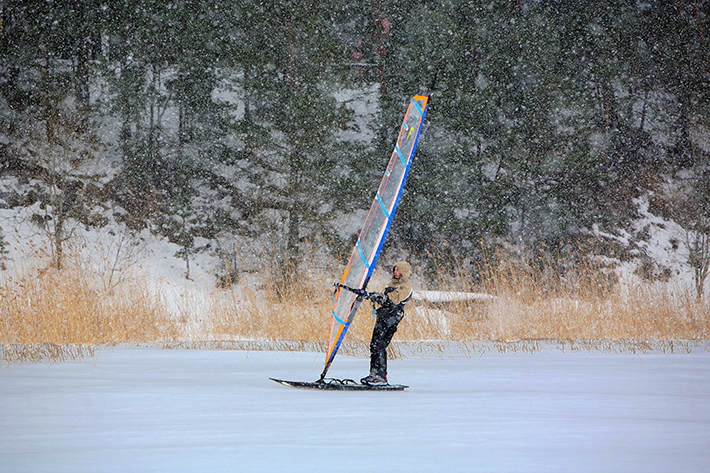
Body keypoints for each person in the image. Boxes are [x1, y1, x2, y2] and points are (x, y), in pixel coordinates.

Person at [361, 261, 413, 386]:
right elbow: (384, 298)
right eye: (394, 270)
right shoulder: (392, 284)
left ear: (404, 272)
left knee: (380, 345)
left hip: (392, 319)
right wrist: (373, 296)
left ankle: (381, 376)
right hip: (383, 317)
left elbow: (393, 299)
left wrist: (380, 298)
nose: (395, 272)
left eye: (398, 270)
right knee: (374, 344)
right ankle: (373, 373)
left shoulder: (406, 286)